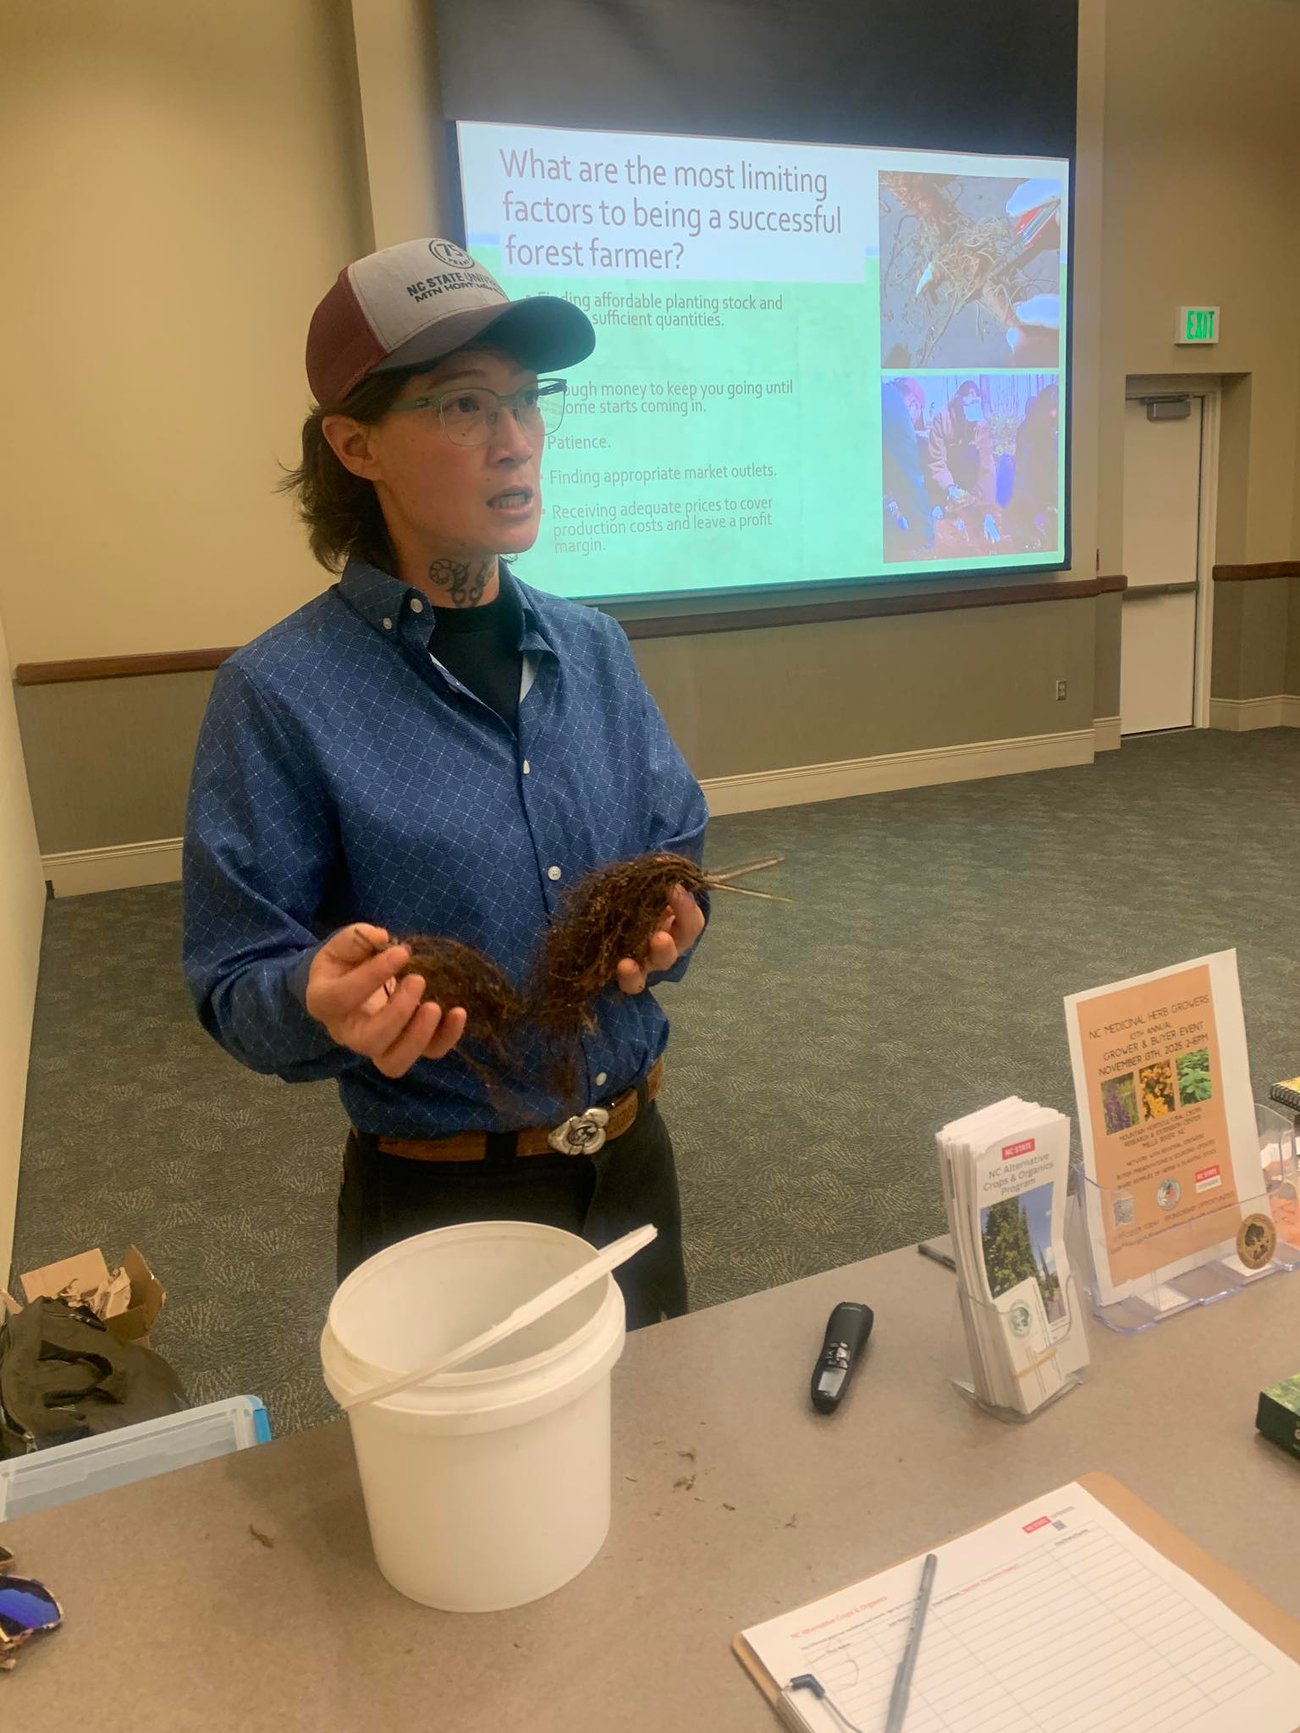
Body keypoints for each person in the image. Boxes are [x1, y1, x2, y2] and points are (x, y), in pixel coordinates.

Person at [181, 238, 709, 1328]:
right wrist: (316, 1001)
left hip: (631, 1164)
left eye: (525, 400)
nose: (515, 441)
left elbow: (679, 845)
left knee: (670, 1466)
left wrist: (674, 918)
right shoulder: (279, 695)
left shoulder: (594, 649)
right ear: (355, 442)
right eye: (465, 406)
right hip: (443, 1199)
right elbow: (235, 978)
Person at [925, 380, 1000, 547]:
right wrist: (949, 487)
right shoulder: (942, 418)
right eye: (966, 407)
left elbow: (987, 465)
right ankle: (940, 503)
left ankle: (974, 505)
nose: (970, 417)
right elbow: (936, 460)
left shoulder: (980, 423)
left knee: (972, 456)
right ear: (958, 401)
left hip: (970, 474)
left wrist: (986, 510)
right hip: (947, 476)